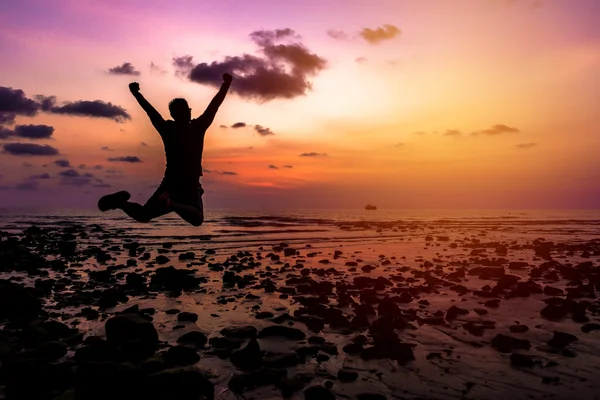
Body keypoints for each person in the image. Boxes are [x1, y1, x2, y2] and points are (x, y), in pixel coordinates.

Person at [97, 73, 233, 226]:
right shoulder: (197, 127)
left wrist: (136, 93)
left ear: (173, 115)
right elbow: (215, 105)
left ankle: (121, 204)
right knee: (197, 219)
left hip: (170, 183)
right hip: (189, 183)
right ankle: (172, 204)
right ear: (189, 111)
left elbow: (150, 111)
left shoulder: (167, 128)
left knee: (144, 215)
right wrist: (226, 84)